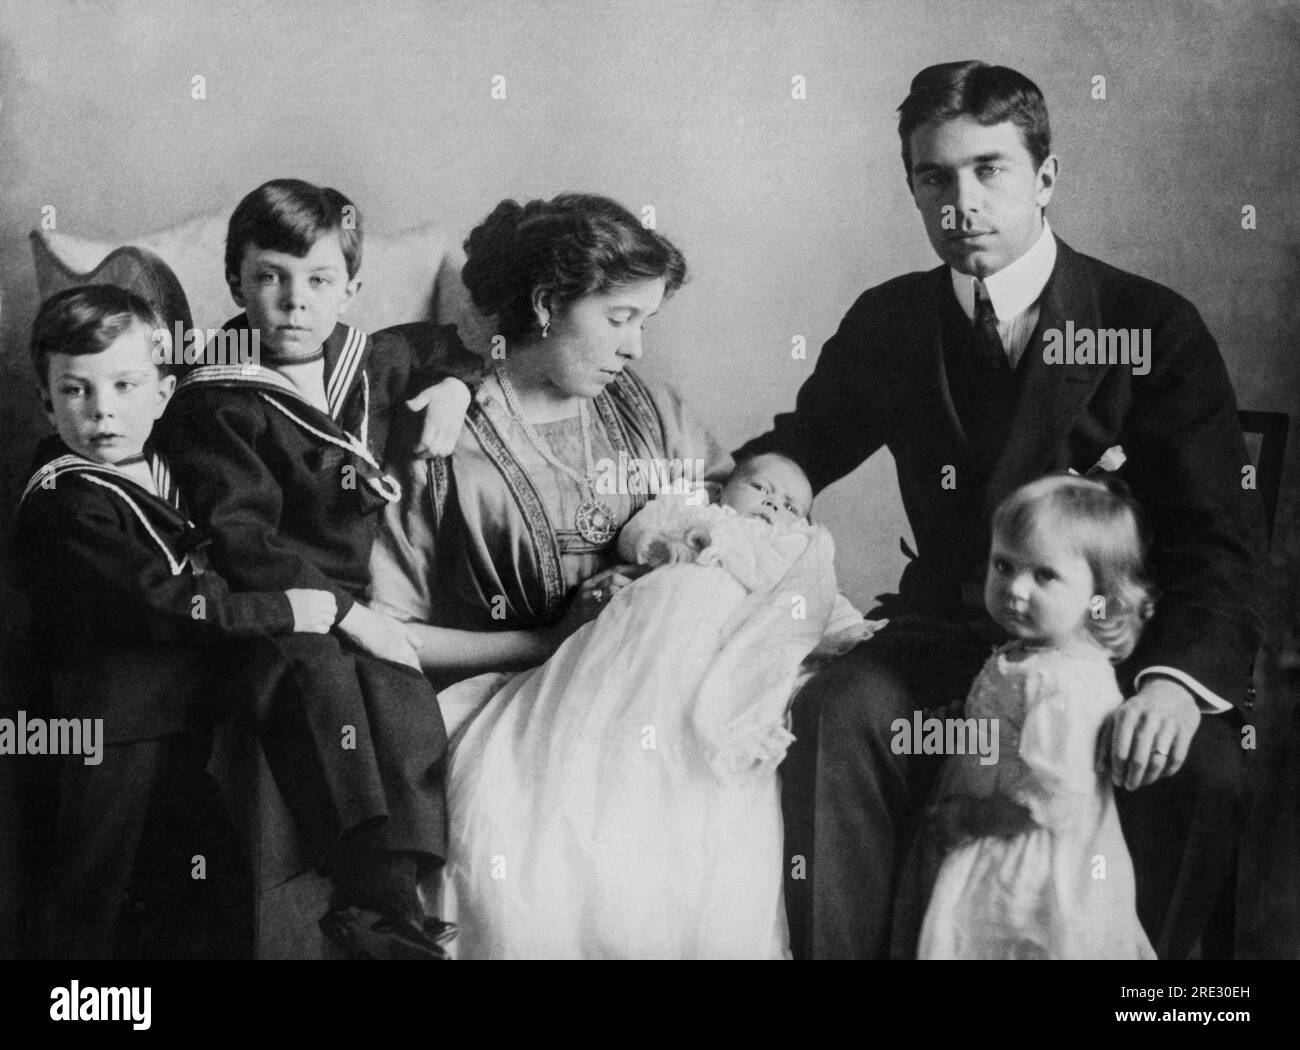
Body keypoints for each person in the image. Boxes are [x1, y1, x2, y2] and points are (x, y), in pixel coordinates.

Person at [735, 61, 1266, 959]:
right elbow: (808, 441)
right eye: (934, 178)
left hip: (1108, 658)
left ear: (1045, 179)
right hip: (949, 642)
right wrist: (770, 472)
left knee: (1202, 769)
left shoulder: (1146, 324)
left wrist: (1174, 688)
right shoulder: (892, 321)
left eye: (990, 170)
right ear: (911, 187)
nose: (962, 203)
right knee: (837, 717)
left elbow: (1218, 542)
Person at [153, 179, 483, 960]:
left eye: (319, 281)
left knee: (400, 697)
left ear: (351, 289)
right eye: (269, 277)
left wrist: (452, 393)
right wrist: (347, 614)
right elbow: (243, 540)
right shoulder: (216, 399)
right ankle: (369, 892)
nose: (294, 302)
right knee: (320, 681)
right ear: (234, 282)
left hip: (356, 598)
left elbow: (454, 347)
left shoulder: (371, 359)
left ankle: (401, 897)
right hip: (269, 602)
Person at [443, 453, 880, 958]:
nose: (772, 506)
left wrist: (854, 632)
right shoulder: (698, 512)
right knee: (596, 741)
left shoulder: (795, 551)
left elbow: (823, 603)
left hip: (721, 661)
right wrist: (661, 544)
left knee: (690, 788)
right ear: (723, 492)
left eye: (789, 505)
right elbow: (639, 530)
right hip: (638, 640)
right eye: (761, 488)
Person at [14, 286, 338, 958]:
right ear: (47, 402)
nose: (102, 410)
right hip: (101, 728)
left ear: (164, 394)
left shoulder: (167, 466)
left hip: (178, 717)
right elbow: (160, 600)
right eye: (75, 391)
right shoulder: (66, 500)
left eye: (126, 385)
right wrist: (280, 608)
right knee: (88, 885)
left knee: (195, 873)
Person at [369, 193, 730, 691]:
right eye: (618, 318)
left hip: (664, 680)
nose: (635, 348)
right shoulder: (442, 437)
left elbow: (741, 519)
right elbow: (388, 633)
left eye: (643, 323)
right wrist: (551, 640)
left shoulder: (652, 410)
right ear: (547, 304)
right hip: (505, 697)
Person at [917, 473, 1156, 959]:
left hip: (1026, 851)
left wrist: (971, 820)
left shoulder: (1065, 683)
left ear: (1099, 598)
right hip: (992, 827)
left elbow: (1057, 793)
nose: (1014, 590)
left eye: (1044, 575)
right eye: (1003, 565)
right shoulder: (1032, 654)